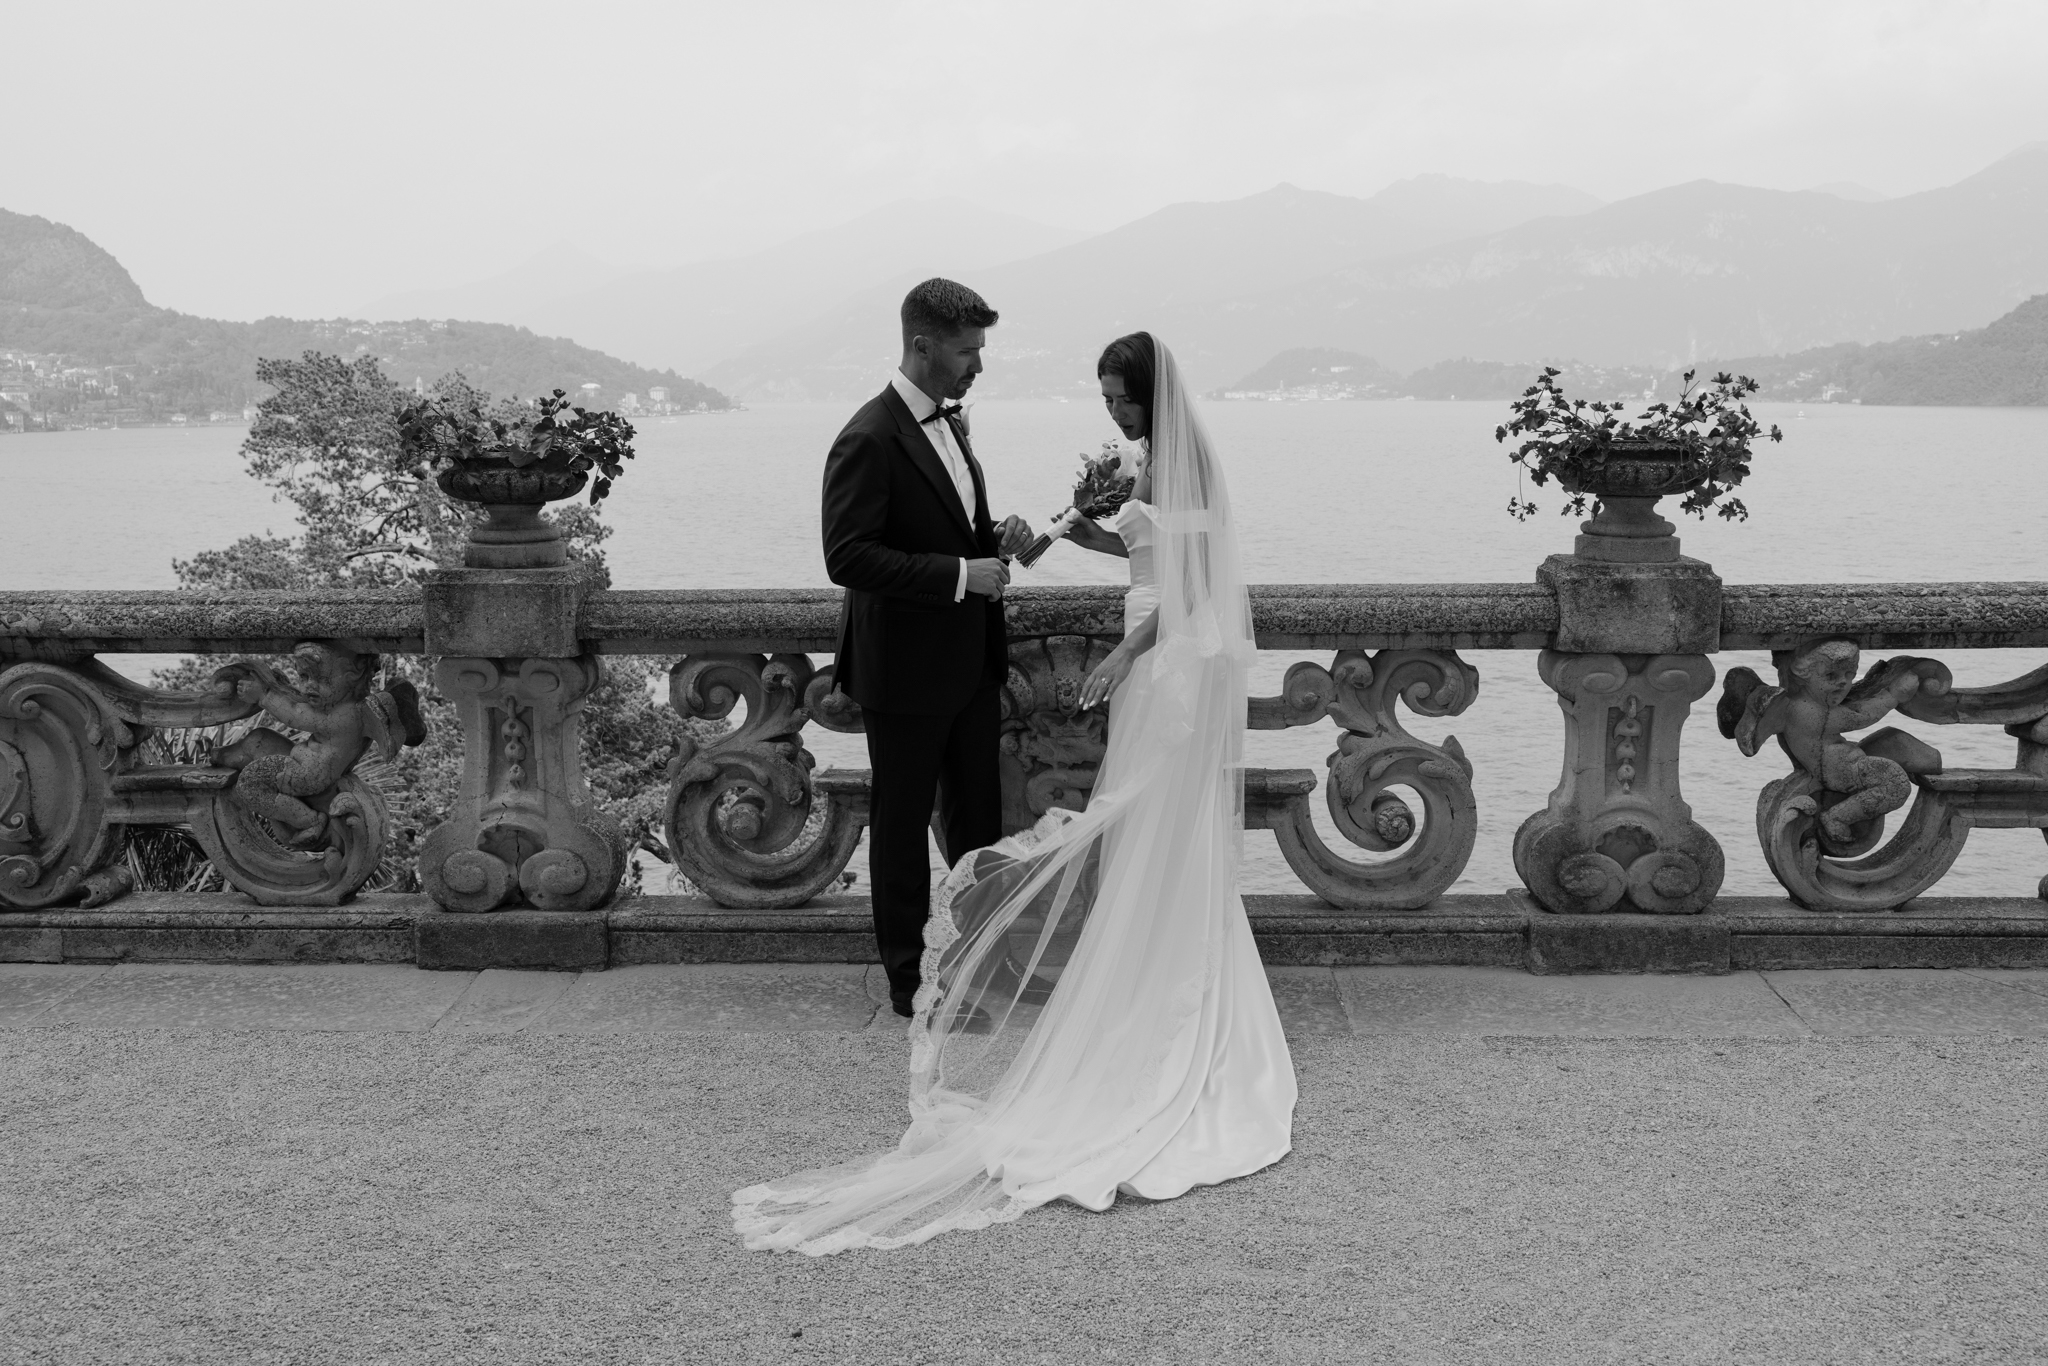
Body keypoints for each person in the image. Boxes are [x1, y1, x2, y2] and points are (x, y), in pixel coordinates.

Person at [736, 332, 1296, 1254]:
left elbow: (1198, 586)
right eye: (1105, 397)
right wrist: (1073, 539)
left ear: (1152, 396)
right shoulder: (1139, 461)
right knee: (1139, 831)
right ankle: (1129, 980)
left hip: (1169, 671)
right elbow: (1149, 562)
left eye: (1120, 397)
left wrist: (1123, 650)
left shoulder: (1186, 464)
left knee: (1161, 826)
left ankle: (1177, 991)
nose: (1111, 412)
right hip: (1137, 670)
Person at [819, 278, 1035, 1020]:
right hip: (905, 671)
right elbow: (847, 557)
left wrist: (992, 534)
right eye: (968, 351)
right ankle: (909, 981)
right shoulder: (866, 437)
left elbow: (948, 525)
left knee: (980, 821)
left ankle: (982, 959)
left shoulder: (951, 424)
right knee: (904, 829)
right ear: (922, 344)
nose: (977, 365)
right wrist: (957, 575)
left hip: (970, 662)